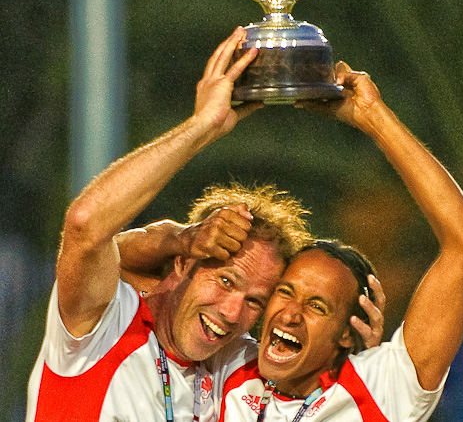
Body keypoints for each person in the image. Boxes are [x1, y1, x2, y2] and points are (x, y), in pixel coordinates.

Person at [25, 29, 384, 422]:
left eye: (255, 302)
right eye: (227, 281)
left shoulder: (237, 364)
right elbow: (85, 224)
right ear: (184, 262)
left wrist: (350, 362)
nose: (232, 313)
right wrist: (203, 127)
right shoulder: (103, 323)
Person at [208, 62, 463, 421]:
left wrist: (373, 116)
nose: (291, 314)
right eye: (285, 291)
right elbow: (121, 257)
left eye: (318, 306)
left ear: (346, 333)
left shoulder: (380, 386)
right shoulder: (222, 363)